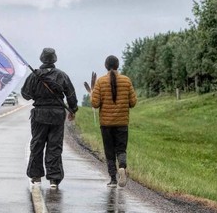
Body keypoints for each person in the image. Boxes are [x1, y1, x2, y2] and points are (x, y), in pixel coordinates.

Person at [21, 48, 78, 189]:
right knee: (55, 146)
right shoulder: (62, 75)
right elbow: (71, 94)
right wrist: (72, 109)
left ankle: (35, 175)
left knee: (37, 144)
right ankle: (54, 178)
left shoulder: (34, 75)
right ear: (54, 59)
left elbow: (25, 94)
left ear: (42, 59)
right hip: (57, 115)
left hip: (39, 114)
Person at [91, 55, 137, 187]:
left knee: (109, 151)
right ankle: (122, 167)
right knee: (121, 149)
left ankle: (113, 179)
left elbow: (95, 104)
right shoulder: (126, 81)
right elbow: (133, 102)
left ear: (106, 66)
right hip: (122, 123)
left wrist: (92, 93)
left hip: (106, 124)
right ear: (118, 65)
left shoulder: (100, 82)